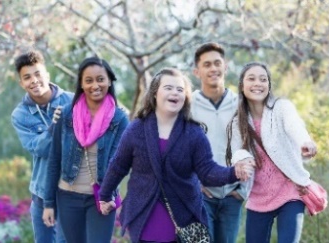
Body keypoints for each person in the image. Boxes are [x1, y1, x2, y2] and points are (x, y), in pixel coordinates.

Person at [98, 67, 254, 243]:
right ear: (155, 93)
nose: (175, 93)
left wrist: (234, 172)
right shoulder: (136, 129)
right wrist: (104, 196)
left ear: (185, 98)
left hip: (183, 218)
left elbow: (207, 171)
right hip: (144, 215)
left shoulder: (194, 133)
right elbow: (118, 165)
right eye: (169, 88)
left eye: (180, 90)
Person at [226, 61, 317, 243]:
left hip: (290, 191)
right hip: (258, 197)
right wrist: (244, 161)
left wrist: (304, 142)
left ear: (269, 85)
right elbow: (237, 151)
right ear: (242, 86)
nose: (257, 83)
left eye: (263, 79)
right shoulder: (238, 121)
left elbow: (294, 125)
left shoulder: (281, 107)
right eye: (251, 79)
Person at [42, 57, 129, 243]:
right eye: (88, 80)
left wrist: (109, 195)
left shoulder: (119, 119)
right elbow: (54, 160)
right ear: (81, 84)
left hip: (101, 198)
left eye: (100, 79)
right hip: (67, 197)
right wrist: (48, 204)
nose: (95, 85)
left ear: (109, 81)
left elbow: (119, 164)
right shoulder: (66, 114)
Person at [11, 50, 72, 243]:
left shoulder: (73, 101)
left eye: (38, 74)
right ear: (22, 83)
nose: (34, 80)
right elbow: (39, 149)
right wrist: (54, 127)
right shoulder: (20, 115)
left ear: (47, 75)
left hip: (73, 190)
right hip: (42, 192)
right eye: (27, 77)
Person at [191, 42, 244, 243]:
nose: (213, 68)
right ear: (197, 71)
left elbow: (254, 147)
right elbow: (177, 149)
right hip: (200, 196)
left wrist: (242, 190)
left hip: (233, 195)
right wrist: (193, 184)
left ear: (226, 66)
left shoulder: (241, 104)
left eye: (217, 63)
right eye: (206, 65)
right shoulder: (188, 105)